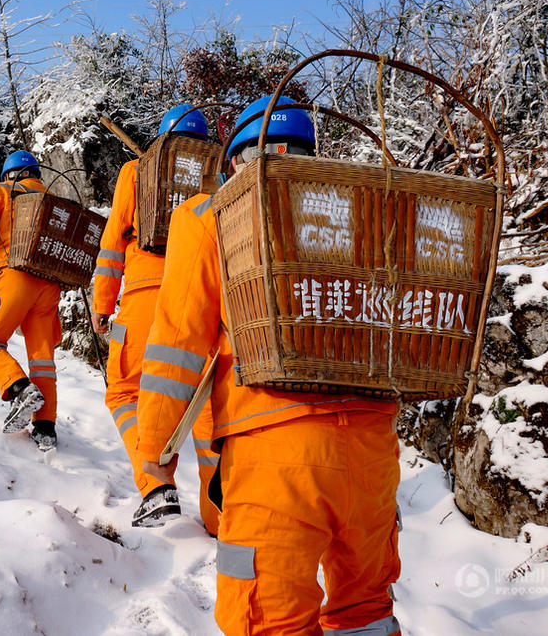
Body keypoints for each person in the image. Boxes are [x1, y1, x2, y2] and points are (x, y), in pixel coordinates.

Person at [135, 96, 402, 636]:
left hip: (276, 456)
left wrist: (155, 451)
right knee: (366, 612)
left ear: (234, 160)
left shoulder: (210, 215)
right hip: (374, 457)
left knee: (267, 620)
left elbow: (178, 343)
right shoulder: (365, 213)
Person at [92, 104, 221, 532]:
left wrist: (102, 303)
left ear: (162, 140)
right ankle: (222, 516)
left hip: (146, 299)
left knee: (125, 393)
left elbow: (112, 244)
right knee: (205, 410)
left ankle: (155, 485)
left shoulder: (138, 170)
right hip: (204, 301)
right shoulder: (219, 174)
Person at [0, 150, 63, 451]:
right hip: (49, 285)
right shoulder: (54, 201)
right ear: (36, 174)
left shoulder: (2, 191)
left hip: (14, 275)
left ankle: (19, 389)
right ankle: (45, 427)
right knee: (43, 361)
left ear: (10, 174)